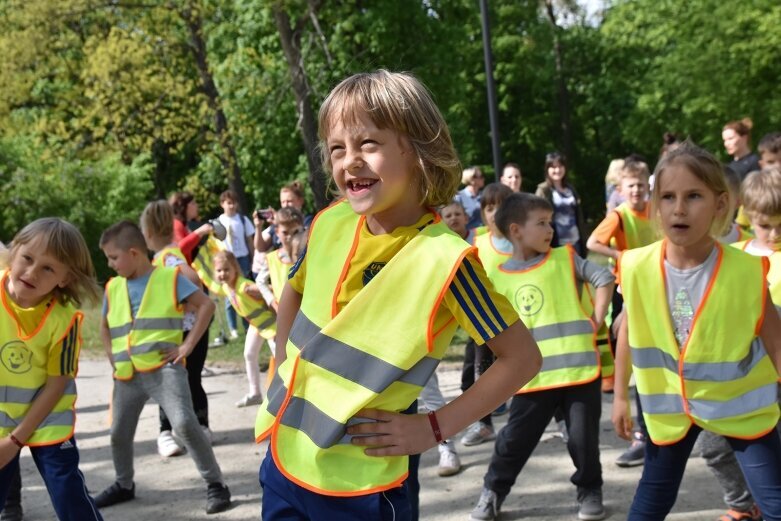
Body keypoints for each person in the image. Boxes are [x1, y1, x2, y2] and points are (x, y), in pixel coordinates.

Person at [254, 69, 542, 521]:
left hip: (363, 484)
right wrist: (280, 372)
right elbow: (293, 290)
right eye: (337, 149)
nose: (349, 160)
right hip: (286, 462)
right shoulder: (329, 222)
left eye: (368, 144)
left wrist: (433, 428)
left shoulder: (446, 261)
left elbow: (522, 358)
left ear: (418, 150)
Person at [611, 143, 781, 520]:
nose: (679, 208)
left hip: (741, 409)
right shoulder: (635, 266)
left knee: (776, 505)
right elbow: (627, 331)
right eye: (667, 197)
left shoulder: (747, 271)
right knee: (649, 504)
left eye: (693, 196)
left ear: (721, 205)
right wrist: (620, 396)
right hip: (670, 408)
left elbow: (776, 341)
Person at [470, 193, 614, 521]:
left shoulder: (566, 258)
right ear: (516, 230)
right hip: (531, 379)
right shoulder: (498, 278)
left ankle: (590, 489)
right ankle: (492, 492)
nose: (550, 229)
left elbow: (603, 277)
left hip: (578, 373)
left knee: (583, 440)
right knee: (513, 441)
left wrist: (598, 316)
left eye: (550, 222)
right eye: (542, 223)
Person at [94, 221, 231, 514]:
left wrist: (187, 346)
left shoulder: (170, 278)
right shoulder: (113, 286)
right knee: (119, 431)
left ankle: (216, 484)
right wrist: (111, 356)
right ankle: (124, 484)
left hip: (164, 369)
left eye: (113, 257)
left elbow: (205, 305)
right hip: (127, 375)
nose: (109, 263)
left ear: (134, 252)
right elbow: (104, 326)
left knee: (183, 423)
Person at [0, 219, 103, 521]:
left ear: (65, 278)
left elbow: (57, 384)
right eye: (28, 259)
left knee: (67, 492)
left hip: (48, 417)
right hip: (3, 417)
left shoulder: (65, 319)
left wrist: (16, 441)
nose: (32, 272)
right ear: (14, 251)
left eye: (48, 268)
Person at [698, 167, 781, 521]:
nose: (774, 234)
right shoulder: (734, 255)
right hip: (738, 378)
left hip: (775, 372)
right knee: (714, 446)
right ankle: (743, 503)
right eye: (766, 225)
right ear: (747, 213)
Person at [140, 200, 213, 457]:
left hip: (186, 332)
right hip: (186, 330)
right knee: (185, 380)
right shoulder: (169, 254)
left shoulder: (166, 258)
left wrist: (187, 304)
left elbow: (194, 283)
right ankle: (183, 429)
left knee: (177, 381)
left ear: (147, 233)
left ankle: (172, 432)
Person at [461, 183, 514, 446]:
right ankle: (484, 424)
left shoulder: (521, 240)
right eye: (489, 208)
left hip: (517, 320)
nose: (494, 213)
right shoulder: (477, 241)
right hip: (483, 322)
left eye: (500, 207)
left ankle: (559, 417)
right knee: (476, 373)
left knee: (531, 369)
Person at [212, 250, 276, 408]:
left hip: (274, 326)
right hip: (257, 325)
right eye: (219, 270)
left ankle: (288, 394)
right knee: (249, 354)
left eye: (227, 269)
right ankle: (255, 393)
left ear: (235, 268)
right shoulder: (227, 287)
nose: (223, 274)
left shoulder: (245, 287)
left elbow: (272, 290)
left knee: (281, 359)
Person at [217, 189, 255, 339]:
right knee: (229, 295)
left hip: (242, 258)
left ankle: (247, 325)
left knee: (243, 291)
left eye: (234, 203)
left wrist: (252, 257)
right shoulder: (219, 222)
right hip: (227, 260)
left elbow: (249, 240)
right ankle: (233, 328)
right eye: (228, 203)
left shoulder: (243, 220)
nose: (231, 206)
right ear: (222, 204)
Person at [535, 152, 587, 257]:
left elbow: (579, 217)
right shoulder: (543, 190)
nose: (557, 170)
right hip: (555, 244)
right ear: (547, 169)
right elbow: (536, 218)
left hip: (575, 242)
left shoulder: (570, 189)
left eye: (560, 166)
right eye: (553, 167)